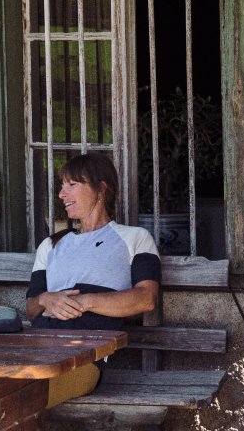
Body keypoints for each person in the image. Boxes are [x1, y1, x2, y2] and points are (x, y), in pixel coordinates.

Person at [27, 153, 161, 406]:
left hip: (83, 362)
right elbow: (31, 309)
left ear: (101, 188)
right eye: (61, 186)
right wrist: (46, 299)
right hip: (37, 351)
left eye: (72, 185)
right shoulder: (51, 245)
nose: (61, 194)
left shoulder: (135, 238)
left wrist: (84, 302)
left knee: (13, 395)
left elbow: (146, 299)